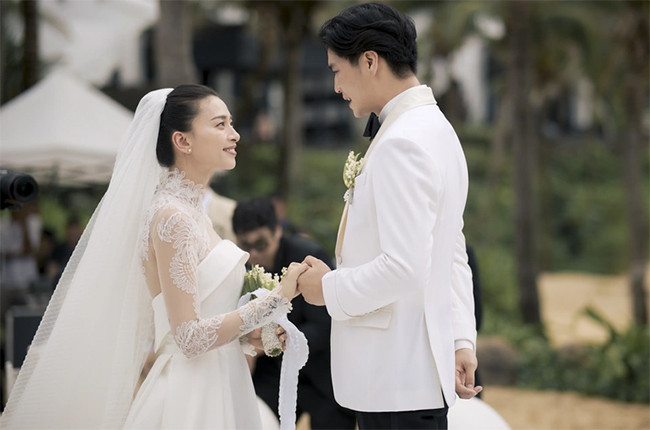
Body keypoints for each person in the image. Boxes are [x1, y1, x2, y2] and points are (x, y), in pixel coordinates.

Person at [0, 84, 308, 429]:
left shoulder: (194, 213)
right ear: (183, 140)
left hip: (223, 381)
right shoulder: (172, 218)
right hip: (191, 396)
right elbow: (188, 337)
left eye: (231, 124)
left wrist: (252, 335)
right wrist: (275, 299)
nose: (234, 134)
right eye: (220, 124)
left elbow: (209, 313)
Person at [297, 3, 482, 429]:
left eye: (336, 70)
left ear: (369, 61)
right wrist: (459, 338)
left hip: (396, 377)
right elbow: (450, 250)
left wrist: (327, 288)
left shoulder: (402, 142)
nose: (336, 86)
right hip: (412, 375)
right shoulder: (437, 129)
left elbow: (404, 267)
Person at [232, 197, 356, 430]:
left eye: (261, 244)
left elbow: (323, 324)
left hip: (322, 375)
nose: (254, 254)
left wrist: (274, 340)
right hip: (271, 374)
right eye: (246, 246)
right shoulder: (239, 267)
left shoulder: (307, 256)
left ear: (278, 230)